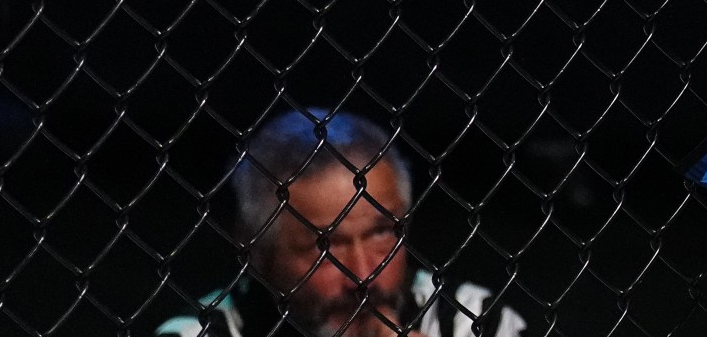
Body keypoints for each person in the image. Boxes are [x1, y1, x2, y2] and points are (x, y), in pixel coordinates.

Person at [154, 109, 524, 337]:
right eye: (325, 246)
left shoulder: (471, 319)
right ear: (255, 249)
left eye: (382, 233)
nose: (363, 275)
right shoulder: (196, 333)